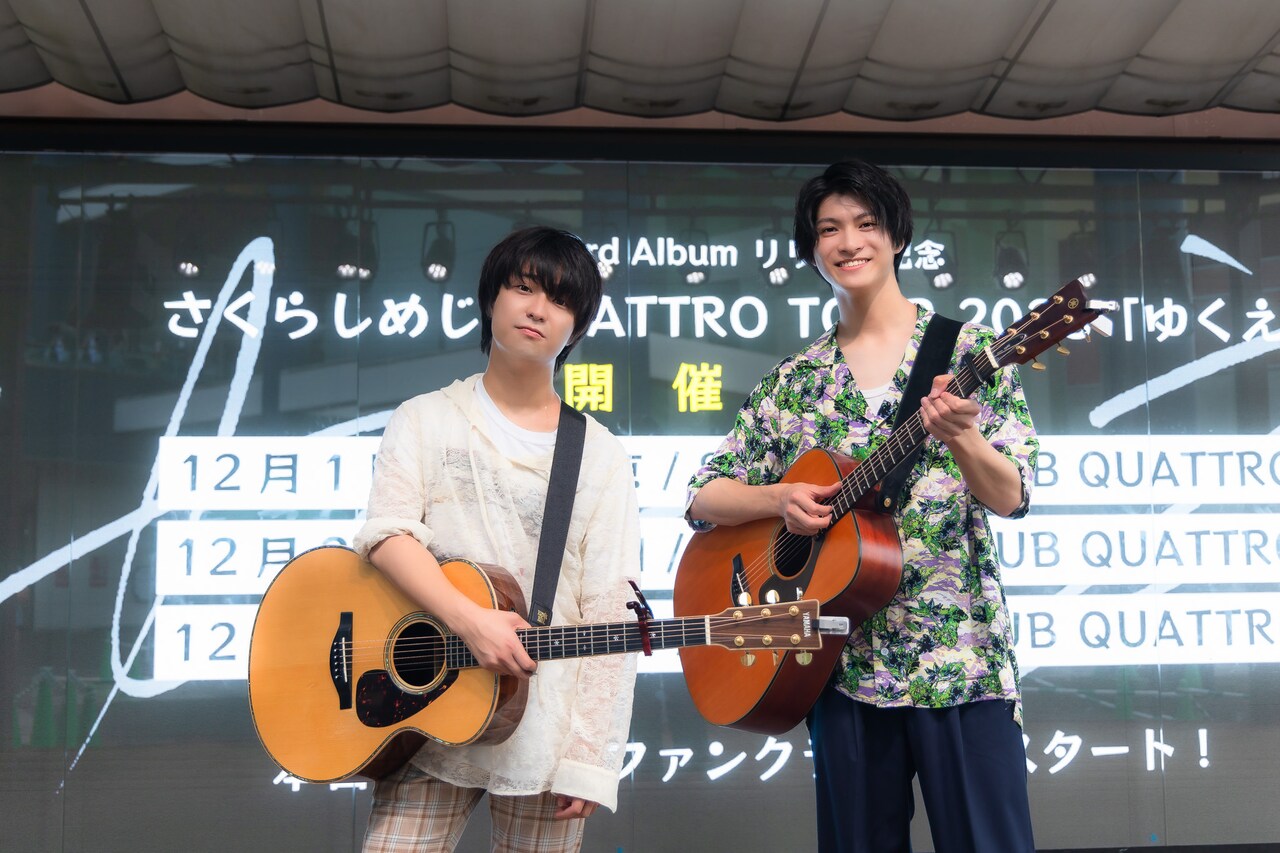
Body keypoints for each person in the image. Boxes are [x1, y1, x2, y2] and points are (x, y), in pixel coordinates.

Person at [685, 160, 1038, 852]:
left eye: (866, 223)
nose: (849, 241)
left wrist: (963, 436)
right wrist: (778, 497)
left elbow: (1012, 495)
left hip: (959, 662)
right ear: (812, 250)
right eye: (829, 229)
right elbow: (704, 495)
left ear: (897, 235)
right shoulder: (796, 381)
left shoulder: (969, 352)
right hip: (840, 672)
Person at [354, 226, 641, 853]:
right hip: (426, 709)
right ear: (493, 298)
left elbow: (609, 610)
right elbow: (387, 535)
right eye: (524, 287)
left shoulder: (598, 454)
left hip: (546, 724)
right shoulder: (425, 418)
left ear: (577, 327)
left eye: (561, 301)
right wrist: (471, 622)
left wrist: (591, 757)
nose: (538, 309)